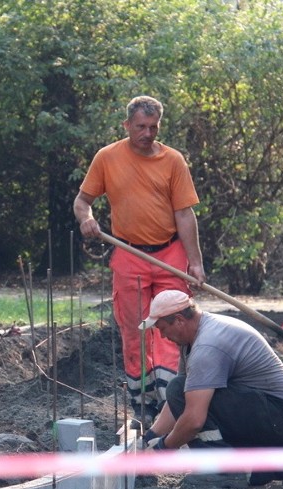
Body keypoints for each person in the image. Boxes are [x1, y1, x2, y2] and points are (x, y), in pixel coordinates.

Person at [74, 95, 206, 426]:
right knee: (135, 334)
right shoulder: (107, 158)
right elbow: (82, 201)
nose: (147, 134)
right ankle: (142, 410)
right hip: (129, 255)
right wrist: (86, 219)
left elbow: (184, 213)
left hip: (169, 256)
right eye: (140, 127)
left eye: (153, 127)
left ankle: (170, 409)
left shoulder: (173, 161)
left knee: (170, 331)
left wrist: (195, 263)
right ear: (127, 126)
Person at [138, 290, 283, 486]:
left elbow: (193, 420)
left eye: (163, 329)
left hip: (277, 415)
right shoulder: (194, 337)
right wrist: (150, 437)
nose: (163, 336)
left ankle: (225, 471)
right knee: (181, 391)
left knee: (186, 401)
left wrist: (161, 449)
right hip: (268, 412)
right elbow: (181, 399)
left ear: (180, 320)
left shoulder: (207, 347)